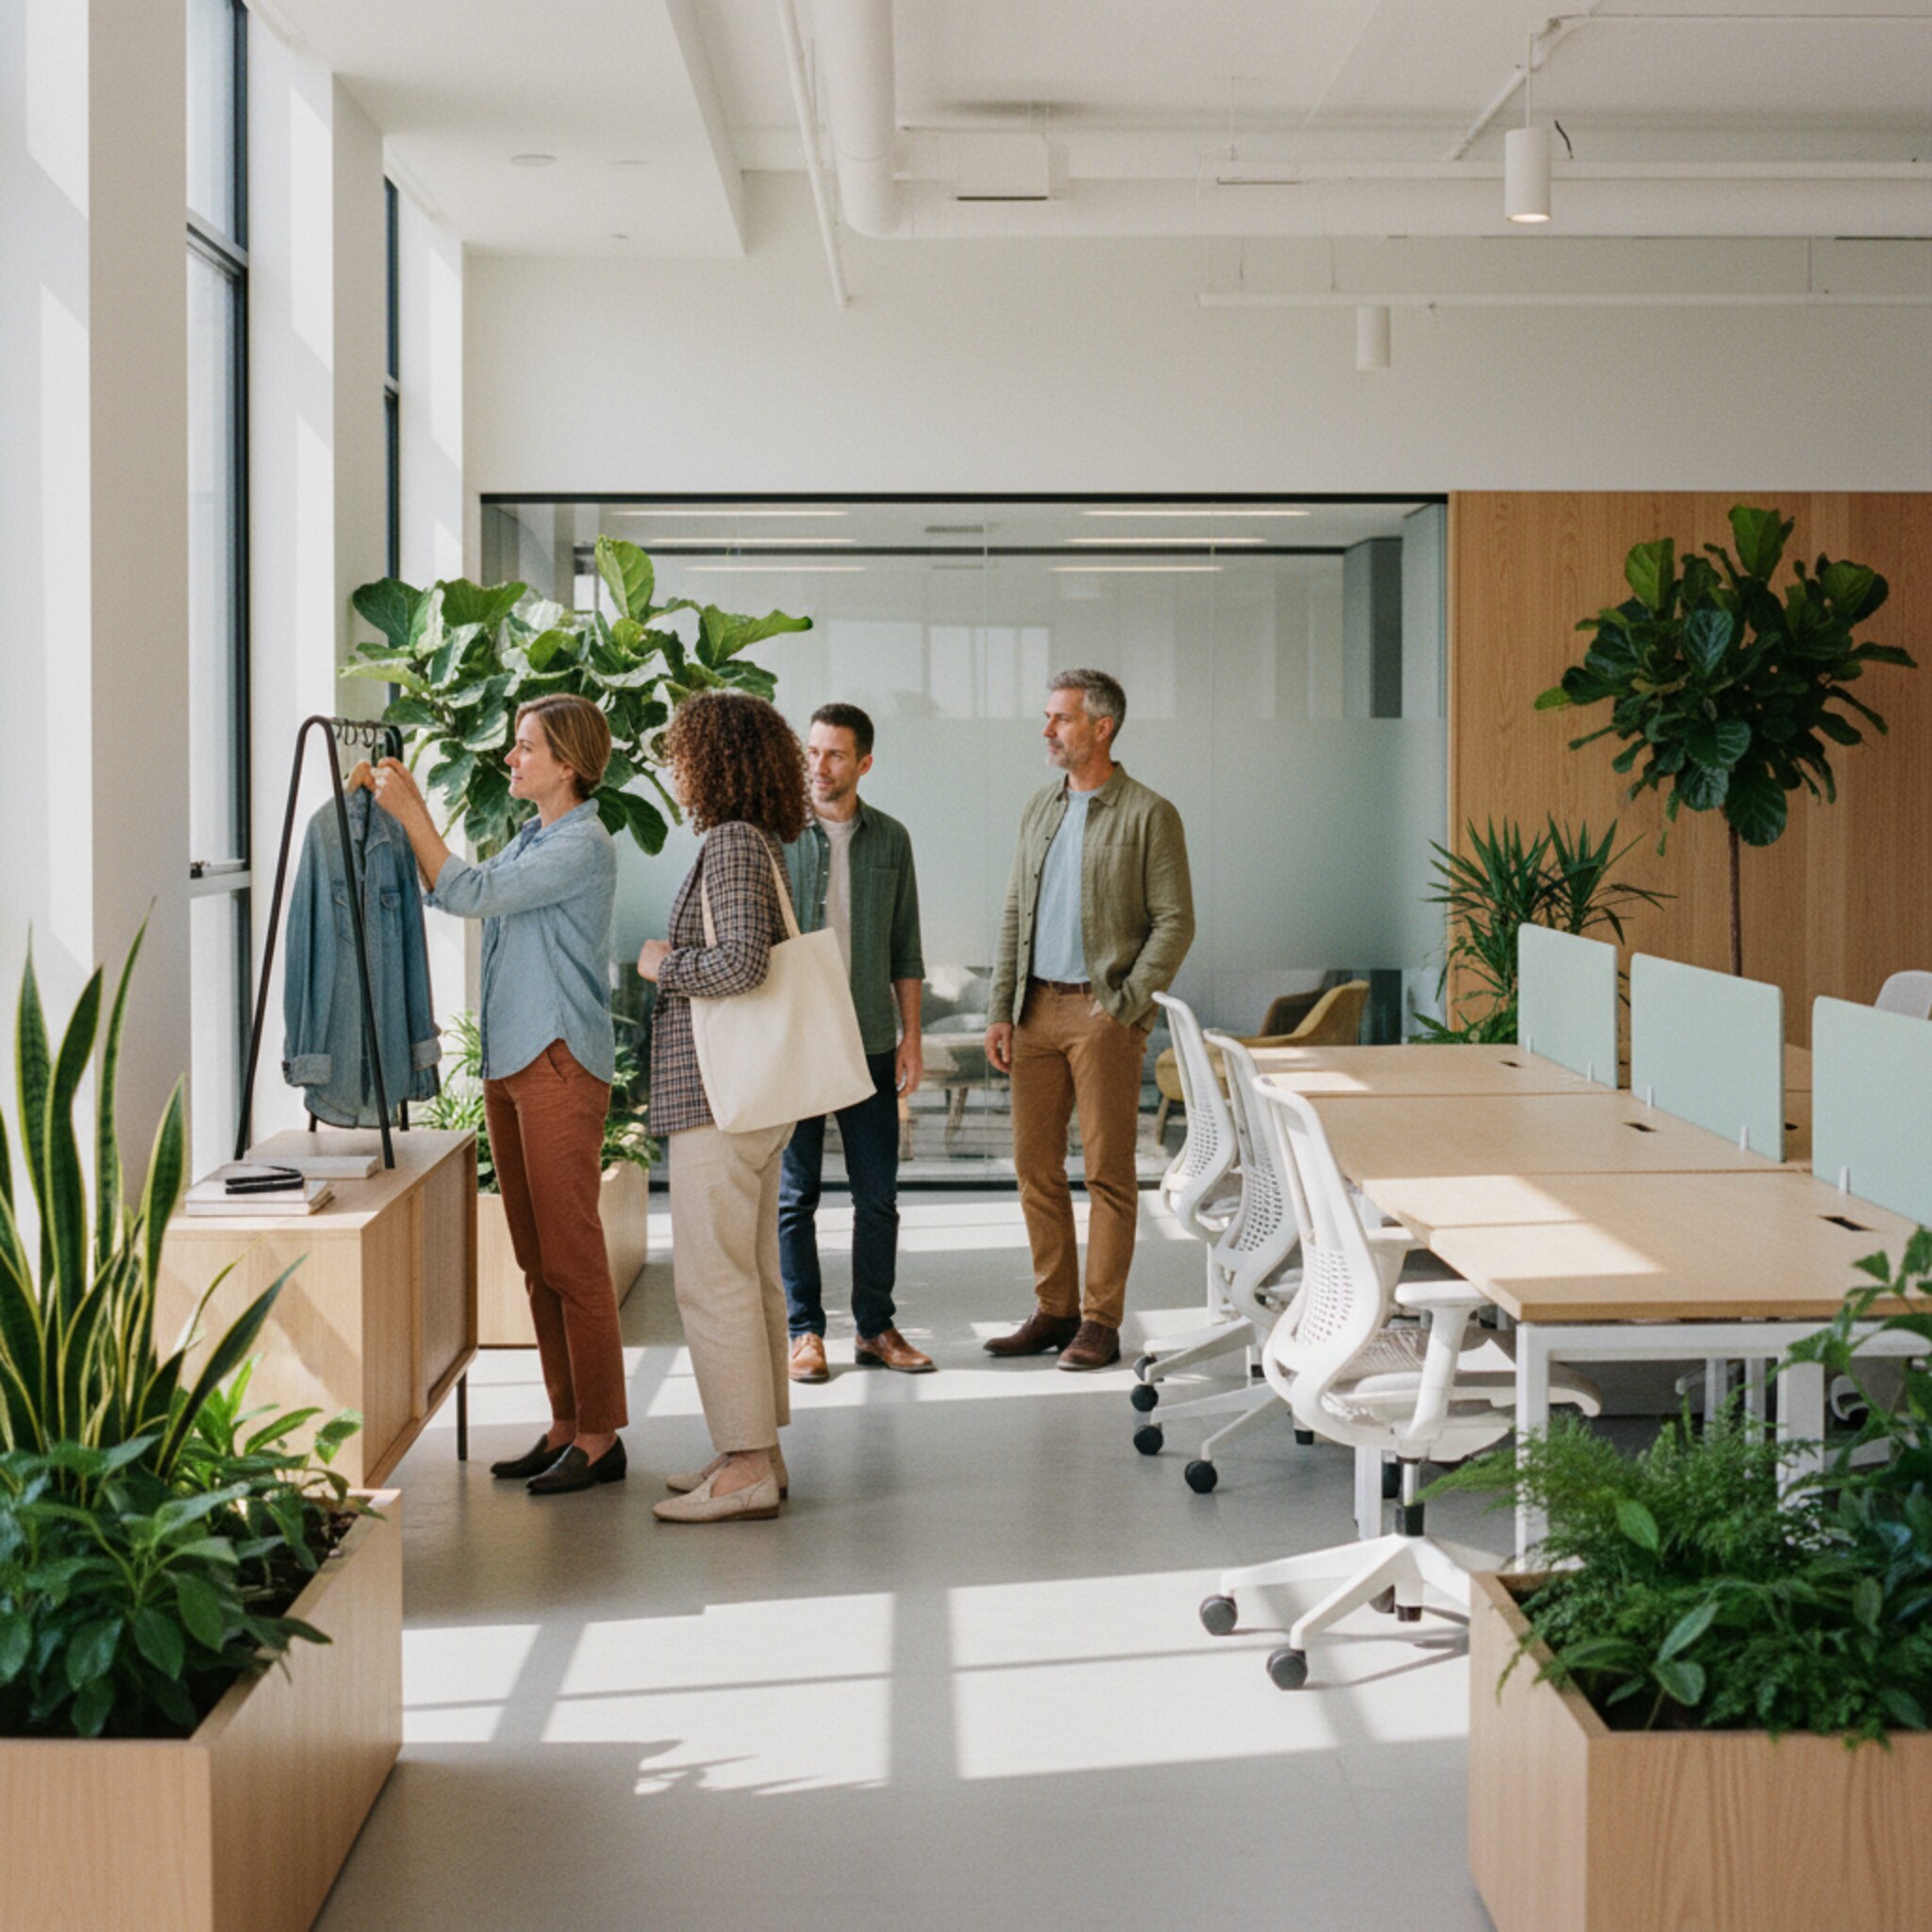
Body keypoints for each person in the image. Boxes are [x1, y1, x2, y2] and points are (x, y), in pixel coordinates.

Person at [375, 695, 627, 1496]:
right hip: (514, 1063)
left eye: (526, 749)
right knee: (534, 1258)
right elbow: (457, 888)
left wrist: (413, 809)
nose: (511, 760)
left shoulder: (582, 844)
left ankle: (601, 1433)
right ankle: (564, 1423)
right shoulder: (534, 835)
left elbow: (469, 892)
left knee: (574, 1258)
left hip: (556, 1062)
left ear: (569, 764)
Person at [982, 670, 1194, 1371]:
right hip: (1035, 1009)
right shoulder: (1039, 809)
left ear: (1101, 728)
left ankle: (1100, 1320)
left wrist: (1125, 1003)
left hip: (1103, 1014)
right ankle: (1055, 1309)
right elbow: (1016, 911)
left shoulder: (1148, 813)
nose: (1047, 731)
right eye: (1047, 718)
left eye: (1061, 720)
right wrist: (1001, 1009)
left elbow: (1175, 922)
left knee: (1108, 1172)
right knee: (1034, 1167)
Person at [635, 691, 811, 1524]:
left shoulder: (731, 844)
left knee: (715, 1284)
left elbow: (741, 964)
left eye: (682, 753)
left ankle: (745, 1469)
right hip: (743, 1097)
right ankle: (756, 1449)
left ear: (713, 759)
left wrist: (663, 966)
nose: (675, 769)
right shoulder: (758, 841)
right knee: (750, 1277)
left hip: (717, 1098)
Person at [779, 703, 931, 1382]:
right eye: (812, 751)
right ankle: (804, 1332)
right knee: (796, 1197)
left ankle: (875, 1327)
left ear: (864, 763)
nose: (819, 766)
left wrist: (912, 1039)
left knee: (877, 1198)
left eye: (834, 754)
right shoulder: (775, 834)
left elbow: (907, 949)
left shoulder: (891, 840)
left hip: (869, 1038)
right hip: (797, 1042)